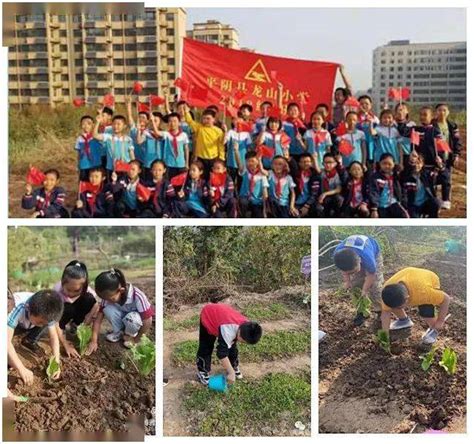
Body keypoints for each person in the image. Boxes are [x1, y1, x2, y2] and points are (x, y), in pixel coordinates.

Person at [86, 268, 154, 353]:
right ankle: (119, 332)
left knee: (132, 318)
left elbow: (148, 320)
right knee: (107, 309)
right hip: (123, 317)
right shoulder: (107, 298)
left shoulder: (137, 296)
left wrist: (136, 339)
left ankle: (131, 335)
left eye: (111, 298)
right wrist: (93, 341)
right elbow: (98, 321)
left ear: (121, 291)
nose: (107, 301)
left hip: (134, 322)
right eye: (104, 298)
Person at [196, 302, 262, 385]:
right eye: (243, 341)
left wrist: (231, 370)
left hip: (222, 317)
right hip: (209, 315)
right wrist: (231, 373)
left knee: (232, 348)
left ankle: (233, 366)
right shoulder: (228, 330)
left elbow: (230, 345)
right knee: (206, 346)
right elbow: (221, 354)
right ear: (240, 334)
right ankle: (203, 372)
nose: (242, 342)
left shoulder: (247, 326)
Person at [381, 267, 451, 345]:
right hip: (412, 275)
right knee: (393, 305)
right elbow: (385, 313)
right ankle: (404, 321)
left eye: (400, 307)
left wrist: (440, 321)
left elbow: (446, 299)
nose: (396, 309)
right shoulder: (387, 292)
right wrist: (385, 336)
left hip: (429, 279)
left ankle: (433, 330)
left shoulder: (425, 293)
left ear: (407, 299)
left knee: (426, 311)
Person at [7, 289, 63, 385]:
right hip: (15, 323)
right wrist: (21, 368)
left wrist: (56, 362)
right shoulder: (18, 306)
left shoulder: (48, 310)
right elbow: (5, 342)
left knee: (46, 327)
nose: (41, 325)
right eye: (40, 322)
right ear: (28, 308)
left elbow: (53, 337)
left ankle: (30, 340)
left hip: (28, 322)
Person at [333, 234, 384, 325]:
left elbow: (371, 276)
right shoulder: (338, 255)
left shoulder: (368, 258)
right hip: (354, 257)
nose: (352, 274)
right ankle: (362, 311)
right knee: (355, 287)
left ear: (360, 260)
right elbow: (344, 271)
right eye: (350, 273)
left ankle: (380, 311)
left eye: (354, 271)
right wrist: (347, 282)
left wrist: (365, 290)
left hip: (373, 252)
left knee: (375, 287)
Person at [52, 261, 99, 357]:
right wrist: (65, 343)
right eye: (68, 290)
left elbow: (96, 304)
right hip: (62, 313)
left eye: (77, 290)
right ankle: (62, 329)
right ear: (62, 283)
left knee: (89, 299)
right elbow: (54, 320)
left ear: (84, 286)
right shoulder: (57, 291)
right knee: (68, 308)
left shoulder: (87, 291)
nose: (72, 293)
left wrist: (88, 318)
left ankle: (76, 325)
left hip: (77, 311)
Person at [433, 103, 462, 210]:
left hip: (447, 157)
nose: (442, 112)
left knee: (447, 179)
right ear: (435, 112)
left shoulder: (452, 126)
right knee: (433, 179)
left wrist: (456, 155)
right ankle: (434, 200)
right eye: (439, 110)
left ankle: (446, 200)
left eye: (444, 110)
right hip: (435, 157)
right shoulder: (432, 125)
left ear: (448, 112)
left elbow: (457, 141)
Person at [184, 105, 225, 176]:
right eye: (204, 118)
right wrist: (186, 112)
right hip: (200, 158)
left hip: (213, 158)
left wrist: (221, 158)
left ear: (213, 119)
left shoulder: (218, 131)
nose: (206, 120)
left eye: (208, 118)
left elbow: (221, 145)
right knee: (201, 176)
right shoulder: (199, 128)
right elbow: (190, 121)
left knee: (213, 177)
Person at [93, 114, 135, 178]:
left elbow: (131, 154)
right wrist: (97, 122)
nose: (116, 126)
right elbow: (95, 135)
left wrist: (133, 167)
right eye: (114, 124)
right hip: (111, 168)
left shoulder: (128, 139)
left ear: (124, 126)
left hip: (125, 168)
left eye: (118, 124)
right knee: (112, 186)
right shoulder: (108, 137)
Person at [150, 112, 189, 178]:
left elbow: (186, 149)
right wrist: (153, 121)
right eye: (170, 121)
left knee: (180, 184)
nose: (172, 123)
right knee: (169, 184)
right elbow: (156, 132)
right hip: (169, 164)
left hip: (181, 164)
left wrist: (187, 163)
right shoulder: (166, 134)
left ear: (179, 123)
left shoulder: (183, 135)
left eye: (175, 121)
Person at [369, 153, 409, 218]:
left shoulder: (397, 176)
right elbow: (373, 192)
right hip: (381, 205)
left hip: (394, 203)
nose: (387, 166)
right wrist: (374, 209)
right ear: (380, 164)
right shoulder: (375, 177)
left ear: (393, 164)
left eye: (389, 164)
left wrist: (404, 204)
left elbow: (403, 191)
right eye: (384, 163)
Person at [401, 152, 439, 218]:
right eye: (414, 163)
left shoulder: (427, 174)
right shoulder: (406, 175)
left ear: (422, 164)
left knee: (435, 203)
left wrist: (440, 165)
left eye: (419, 163)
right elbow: (402, 174)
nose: (416, 165)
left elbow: (443, 177)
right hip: (413, 205)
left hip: (425, 203)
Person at [235, 149, 269, 218]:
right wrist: (236, 151)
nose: (250, 163)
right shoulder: (245, 171)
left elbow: (265, 192)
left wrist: (265, 209)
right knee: (243, 203)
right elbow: (239, 164)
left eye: (252, 161)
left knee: (258, 215)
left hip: (257, 201)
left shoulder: (261, 175)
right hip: (245, 198)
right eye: (248, 161)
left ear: (257, 161)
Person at [75, 115, 103, 182]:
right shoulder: (79, 138)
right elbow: (78, 153)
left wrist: (98, 120)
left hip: (96, 165)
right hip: (84, 165)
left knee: (95, 182)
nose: (86, 126)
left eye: (89, 123)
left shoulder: (97, 137)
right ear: (80, 125)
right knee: (84, 182)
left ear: (93, 125)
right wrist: (78, 165)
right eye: (83, 124)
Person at [317, 153, 346, 217]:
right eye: (325, 162)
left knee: (339, 199)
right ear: (322, 163)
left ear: (335, 163)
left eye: (330, 162)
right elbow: (317, 169)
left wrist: (325, 194)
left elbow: (338, 189)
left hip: (334, 196)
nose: (328, 165)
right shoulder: (322, 173)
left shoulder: (337, 173)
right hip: (323, 199)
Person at [294, 153, 321, 217]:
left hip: (310, 203)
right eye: (303, 162)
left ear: (311, 163)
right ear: (299, 163)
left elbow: (314, 194)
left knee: (318, 209)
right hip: (298, 202)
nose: (306, 163)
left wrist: (307, 205)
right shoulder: (296, 175)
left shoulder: (314, 175)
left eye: (307, 161)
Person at [357, 95, 379, 165]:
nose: (364, 106)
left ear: (371, 105)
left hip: (371, 146)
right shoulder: (355, 118)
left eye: (366, 104)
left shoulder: (375, 118)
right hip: (359, 147)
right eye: (361, 104)